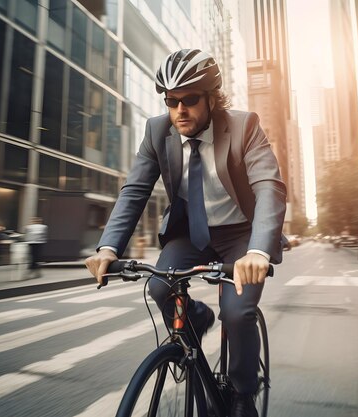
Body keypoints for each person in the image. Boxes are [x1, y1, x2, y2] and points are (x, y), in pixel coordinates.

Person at [85, 48, 286, 417]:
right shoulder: (156, 131)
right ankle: (195, 319)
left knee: (238, 311)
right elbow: (134, 191)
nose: (179, 110)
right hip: (190, 233)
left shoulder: (244, 126)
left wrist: (258, 251)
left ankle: (243, 393)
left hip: (241, 235)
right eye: (171, 101)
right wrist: (108, 247)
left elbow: (269, 188)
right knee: (159, 286)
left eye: (189, 100)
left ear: (212, 98)